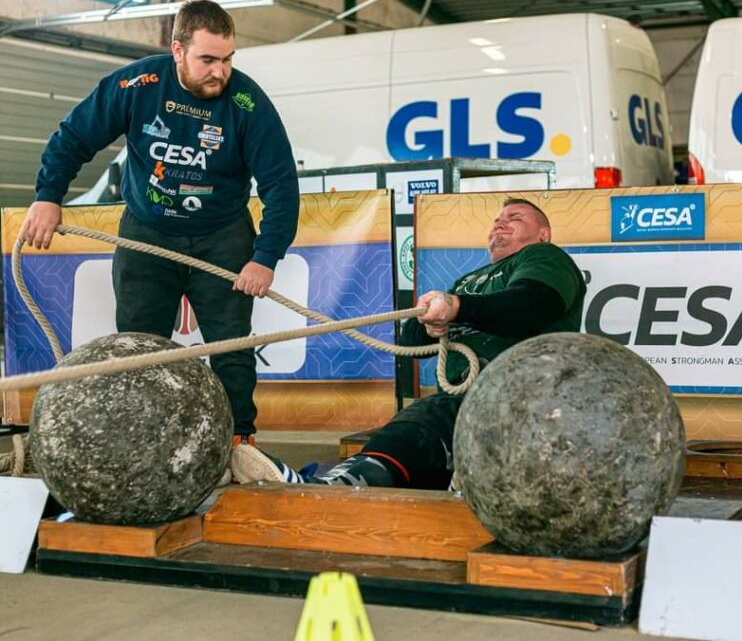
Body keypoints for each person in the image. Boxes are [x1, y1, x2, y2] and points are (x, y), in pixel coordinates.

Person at [18, 0, 300, 474]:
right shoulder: (138, 84)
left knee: (231, 347)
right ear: (177, 50)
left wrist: (264, 257)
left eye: (227, 59)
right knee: (139, 348)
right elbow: (73, 137)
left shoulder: (248, 103)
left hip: (222, 235)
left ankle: (240, 443)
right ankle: (142, 443)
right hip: (148, 234)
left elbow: (281, 186)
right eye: (207, 59)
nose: (219, 72)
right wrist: (48, 196)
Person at [233, 197, 585, 489]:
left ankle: (332, 485)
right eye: (497, 219)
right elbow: (411, 343)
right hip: (466, 402)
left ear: (543, 234)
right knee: (418, 428)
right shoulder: (468, 279)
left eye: (515, 218)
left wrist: (457, 307)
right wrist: (431, 323)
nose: (500, 223)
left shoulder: (544, 257)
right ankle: (339, 482)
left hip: (519, 395)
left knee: (427, 419)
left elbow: (533, 304)